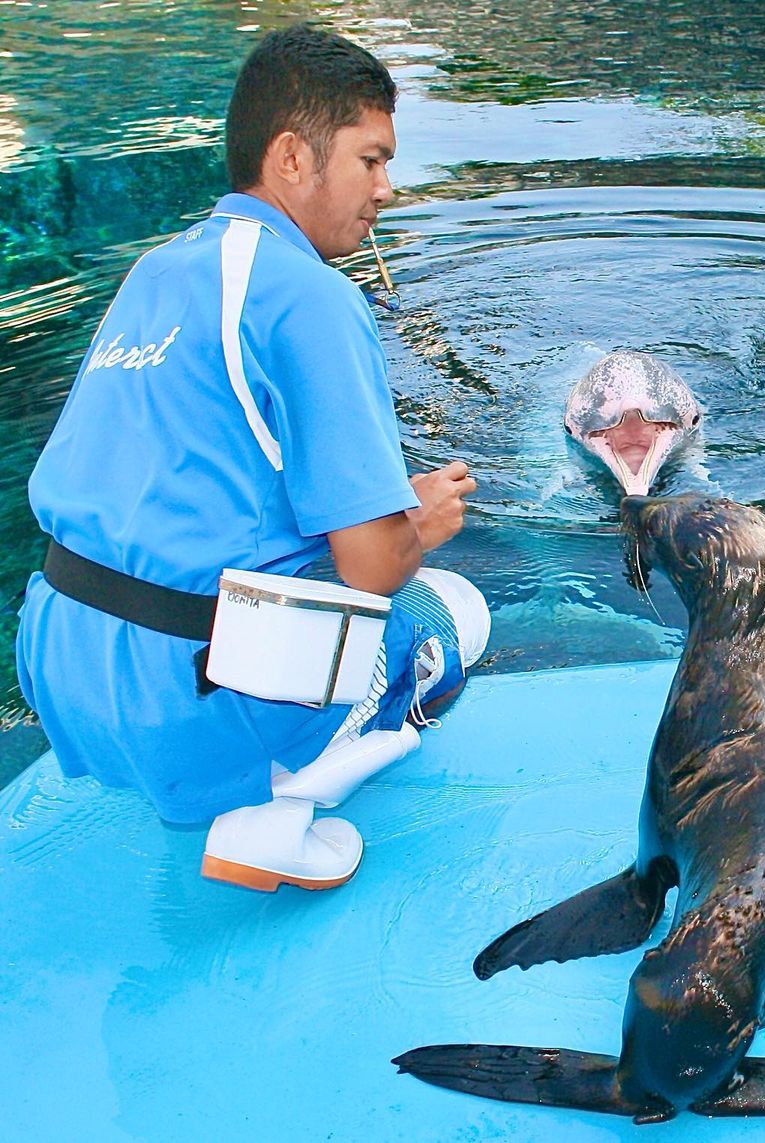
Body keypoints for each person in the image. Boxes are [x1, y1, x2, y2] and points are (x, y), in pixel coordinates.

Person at [15, 23, 490, 893]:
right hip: (186, 703)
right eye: (372, 159)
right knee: (452, 619)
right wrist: (419, 518)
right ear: (292, 158)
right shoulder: (313, 298)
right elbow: (374, 565)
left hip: (58, 669)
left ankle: (215, 764)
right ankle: (275, 805)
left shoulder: (155, 271)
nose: (387, 189)